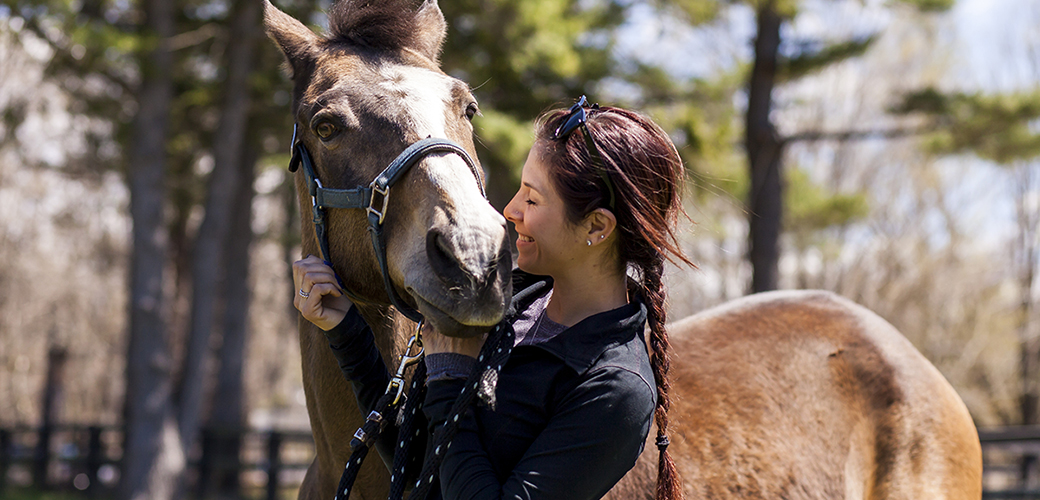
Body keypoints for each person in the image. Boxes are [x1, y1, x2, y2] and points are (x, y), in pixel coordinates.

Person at [293, 96, 692, 500]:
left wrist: (449, 376)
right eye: (520, 190)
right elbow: (416, 466)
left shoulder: (616, 388)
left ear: (596, 225)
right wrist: (346, 329)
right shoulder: (512, 299)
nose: (509, 211)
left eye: (532, 199)